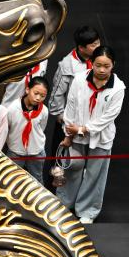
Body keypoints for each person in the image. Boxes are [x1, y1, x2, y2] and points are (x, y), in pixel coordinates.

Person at [58, 45, 125, 224]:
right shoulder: (79, 79)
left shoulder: (118, 88)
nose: (102, 70)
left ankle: (87, 210)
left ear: (113, 65)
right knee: (73, 168)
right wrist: (68, 134)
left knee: (95, 174)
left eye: (106, 66)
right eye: (98, 65)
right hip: (75, 133)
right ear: (92, 63)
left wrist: (83, 129)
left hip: (100, 137)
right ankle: (64, 203)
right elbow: (71, 106)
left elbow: (108, 117)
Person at [47, 26, 101, 183]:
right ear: (81, 47)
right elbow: (57, 92)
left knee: (86, 153)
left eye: (98, 43)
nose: (98, 47)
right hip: (70, 118)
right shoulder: (67, 65)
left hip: (90, 116)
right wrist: (61, 117)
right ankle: (56, 182)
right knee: (62, 152)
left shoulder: (99, 58)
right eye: (93, 45)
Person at [4, 76, 50, 183]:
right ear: (27, 90)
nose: (38, 98)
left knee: (37, 180)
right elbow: (8, 128)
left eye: (43, 96)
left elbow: (42, 128)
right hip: (15, 151)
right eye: (36, 93)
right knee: (11, 180)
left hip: (36, 151)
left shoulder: (44, 110)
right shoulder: (13, 108)